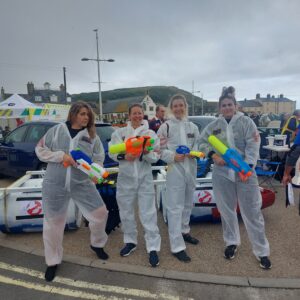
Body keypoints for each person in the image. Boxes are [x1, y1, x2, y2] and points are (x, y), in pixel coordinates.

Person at [198, 86, 272, 270]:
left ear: (236, 105)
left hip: (245, 173)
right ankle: (231, 242)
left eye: (230, 104)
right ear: (219, 108)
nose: (227, 107)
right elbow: (200, 142)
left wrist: (246, 167)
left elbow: (253, 145)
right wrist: (213, 156)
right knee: (226, 210)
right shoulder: (214, 126)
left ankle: (262, 251)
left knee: (252, 212)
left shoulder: (247, 123)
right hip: (221, 173)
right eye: (224, 105)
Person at [35, 101, 109, 282]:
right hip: (55, 183)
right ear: (74, 114)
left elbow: (99, 157)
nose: (86, 118)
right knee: (53, 223)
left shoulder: (92, 135)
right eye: (83, 114)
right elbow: (40, 150)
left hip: (81, 183)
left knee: (100, 213)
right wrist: (61, 156)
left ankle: (97, 244)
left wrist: (96, 172)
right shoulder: (57, 130)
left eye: (88, 115)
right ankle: (52, 261)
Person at [108, 103, 161, 267]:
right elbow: (112, 152)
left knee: (148, 212)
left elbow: (156, 156)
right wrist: (125, 156)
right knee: (126, 211)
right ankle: (130, 241)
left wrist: (146, 153)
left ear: (143, 115)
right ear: (129, 115)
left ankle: (153, 247)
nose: (137, 116)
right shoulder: (120, 133)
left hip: (144, 178)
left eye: (140, 113)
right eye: (134, 113)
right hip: (126, 179)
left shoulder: (150, 133)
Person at [157, 94, 200, 263]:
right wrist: (173, 156)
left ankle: (184, 231)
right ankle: (177, 246)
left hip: (191, 169)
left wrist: (194, 153)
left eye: (181, 105)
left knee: (188, 203)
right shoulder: (165, 127)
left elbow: (197, 145)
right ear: (170, 108)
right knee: (175, 207)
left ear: (185, 106)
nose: (178, 108)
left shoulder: (192, 126)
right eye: (175, 106)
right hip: (175, 169)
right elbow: (158, 150)